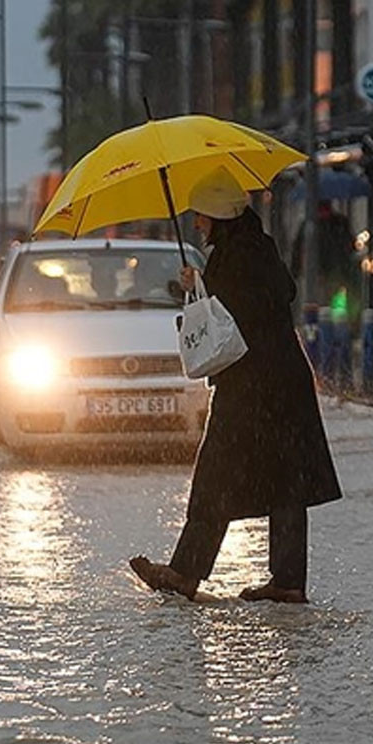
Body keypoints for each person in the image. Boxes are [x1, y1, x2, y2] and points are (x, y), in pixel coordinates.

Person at [130, 168, 342, 603]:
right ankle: (286, 583)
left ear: (217, 215)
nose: (197, 224)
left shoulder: (238, 255)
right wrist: (204, 283)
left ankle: (186, 573)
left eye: (201, 216)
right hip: (276, 384)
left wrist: (202, 285)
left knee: (216, 476)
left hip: (255, 386)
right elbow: (273, 295)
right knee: (286, 481)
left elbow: (235, 314)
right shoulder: (254, 246)